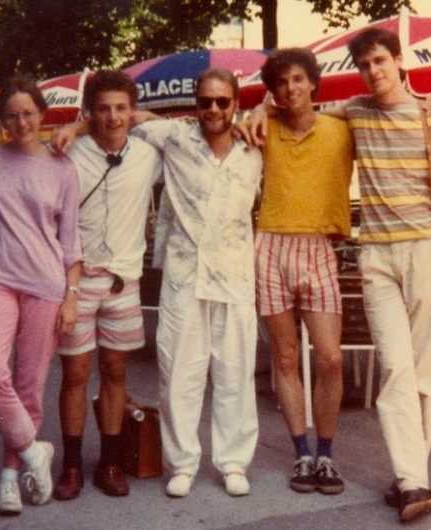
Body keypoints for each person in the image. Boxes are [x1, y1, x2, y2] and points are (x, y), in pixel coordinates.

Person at [344, 28, 431, 522]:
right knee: (395, 366)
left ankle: (410, 478)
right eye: (364, 65)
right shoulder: (353, 111)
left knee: (425, 369)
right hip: (377, 256)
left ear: (399, 60)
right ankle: (412, 479)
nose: (373, 71)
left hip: (426, 249)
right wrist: (260, 109)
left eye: (380, 61)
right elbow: (297, 112)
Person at [134, 68, 263, 498]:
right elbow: (125, 119)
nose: (213, 109)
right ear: (195, 105)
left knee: (235, 374)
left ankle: (233, 462)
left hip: (235, 277)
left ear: (235, 105)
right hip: (185, 276)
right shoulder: (175, 137)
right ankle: (182, 463)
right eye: (205, 101)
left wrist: (263, 111)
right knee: (178, 375)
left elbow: (298, 112)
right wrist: (75, 127)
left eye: (222, 102)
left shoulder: (255, 147)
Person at [0, 75, 83, 516]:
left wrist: (71, 297)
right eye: (12, 116)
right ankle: (36, 451)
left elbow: (70, 241)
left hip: (46, 283)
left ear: (42, 115)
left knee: (29, 385)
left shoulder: (62, 167)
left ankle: (10, 477)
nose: (21, 123)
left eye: (29, 114)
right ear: (1, 119)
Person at [247, 48, 354, 496]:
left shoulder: (340, 127)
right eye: (280, 83)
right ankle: (302, 454)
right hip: (270, 246)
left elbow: (379, 109)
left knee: (330, 360)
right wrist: (258, 108)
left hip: (318, 247)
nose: (289, 89)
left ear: (312, 82)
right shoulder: (263, 127)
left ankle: (326, 453)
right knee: (286, 358)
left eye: (297, 79)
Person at [51, 70, 162, 499]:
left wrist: (145, 119)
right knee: (75, 373)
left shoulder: (148, 152)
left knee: (116, 371)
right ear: (89, 112)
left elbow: (181, 132)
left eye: (121, 108)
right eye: (103, 109)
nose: (113, 117)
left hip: (124, 281)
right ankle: (72, 465)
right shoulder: (69, 152)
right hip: (77, 280)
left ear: (132, 111)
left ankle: (110, 461)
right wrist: (75, 128)